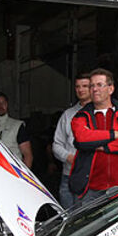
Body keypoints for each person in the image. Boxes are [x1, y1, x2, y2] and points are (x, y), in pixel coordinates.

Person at [69, 68, 118, 202]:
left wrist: (102, 147)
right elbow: (82, 138)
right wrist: (114, 134)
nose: (95, 89)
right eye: (92, 86)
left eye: (99, 85)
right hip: (90, 190)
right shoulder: (80, 117)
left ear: (110, 89)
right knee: (89, 223)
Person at [52, 73, 91, 208]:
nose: (81, 90)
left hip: (93, 178)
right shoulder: (68, 115)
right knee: (68, 220)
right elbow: (57, 145)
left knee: (90, 221)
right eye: (77, 87)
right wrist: (69, 157)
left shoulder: (103, 112)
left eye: (85, 86)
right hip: (69, 175)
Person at [0, 91, 32, 167]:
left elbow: (27, 154)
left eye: (4, 102)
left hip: (13, 170)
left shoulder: (17, 125)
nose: (1, 105)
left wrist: (24, 177)